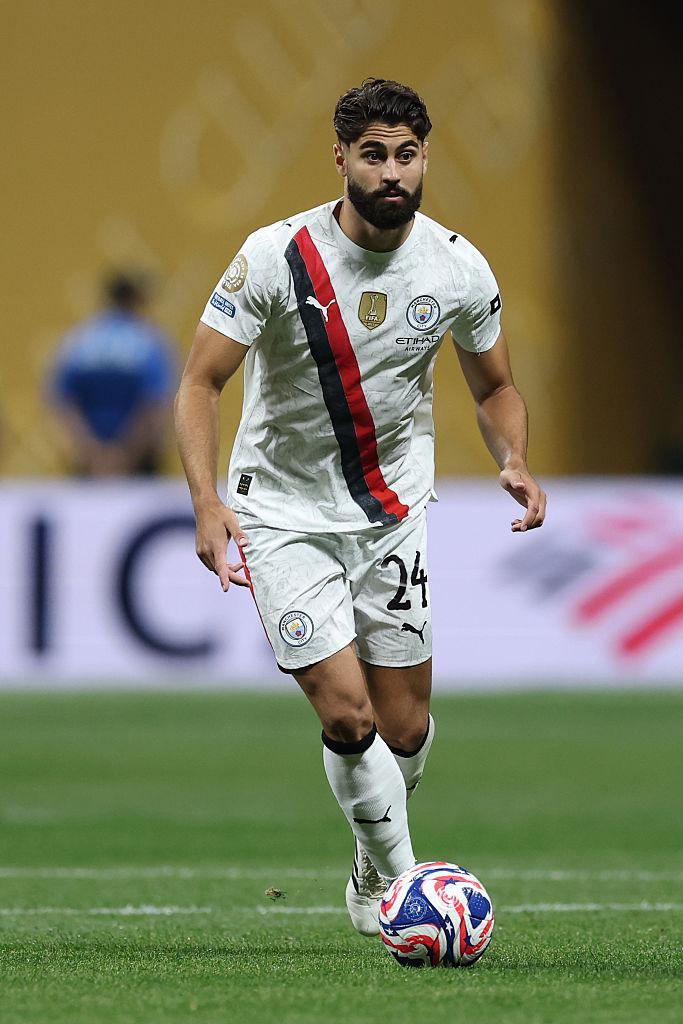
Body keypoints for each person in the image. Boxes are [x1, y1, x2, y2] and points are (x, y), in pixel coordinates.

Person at [174, 79, 546, 936]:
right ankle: (407, 889)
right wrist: (205, 501)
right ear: (340, 158)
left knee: (405, 730)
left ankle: (371, 863)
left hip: (391, 513)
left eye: (405, 155)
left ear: (424, 158)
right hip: (282, 515)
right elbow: (200, 381)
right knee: (348, 714)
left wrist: (515, 457)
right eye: (373, 155)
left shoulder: (456, 266)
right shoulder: (277, 257)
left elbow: (495, 387)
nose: (391, 172)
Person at [49, 271, 177, 476]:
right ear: (136, 300)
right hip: (138, 464)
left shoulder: (78, 341)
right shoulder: (150, 342)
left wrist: (92, 453)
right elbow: (154, 405)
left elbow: (64, 403)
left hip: (89, 464)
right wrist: (125, 455)